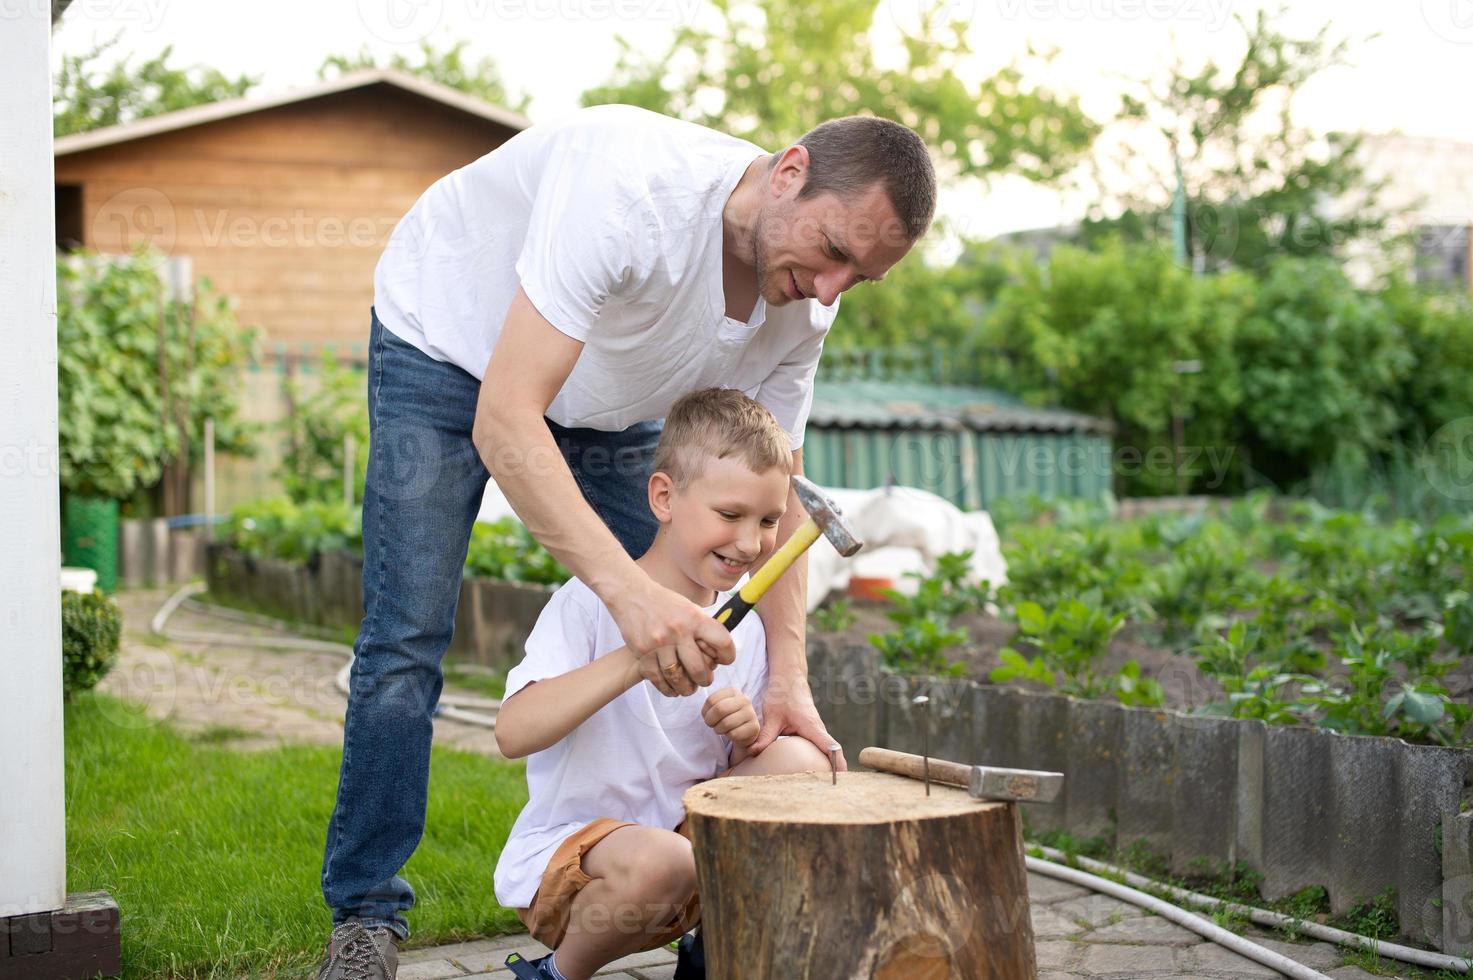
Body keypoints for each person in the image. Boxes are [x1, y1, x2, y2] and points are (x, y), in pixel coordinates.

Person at [316, 103, 935, 980]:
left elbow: (782, 494)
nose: (832, 290)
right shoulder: (629, 188)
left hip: (607, 399)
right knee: (407, 636)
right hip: (448, 352)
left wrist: (788, 679)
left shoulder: (801, 305)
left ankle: (698, 909)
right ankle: (365, 915)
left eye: (858, 279)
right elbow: (506, 417)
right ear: (788, 171)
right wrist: (627, 595)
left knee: (676, 595)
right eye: (832, 251)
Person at [493, 388, 831, 980]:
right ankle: (554, 974)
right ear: (664, 496)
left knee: (802, 763)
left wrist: (744, 731)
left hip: (686, 850)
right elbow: (513, 733)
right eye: (730, 515)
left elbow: (736, 768)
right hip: (579, 870)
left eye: (770, 520)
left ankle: (712, 949)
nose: (750, 544)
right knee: (666, 862)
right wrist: (633, 658)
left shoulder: (747, 628)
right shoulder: (593, 604)